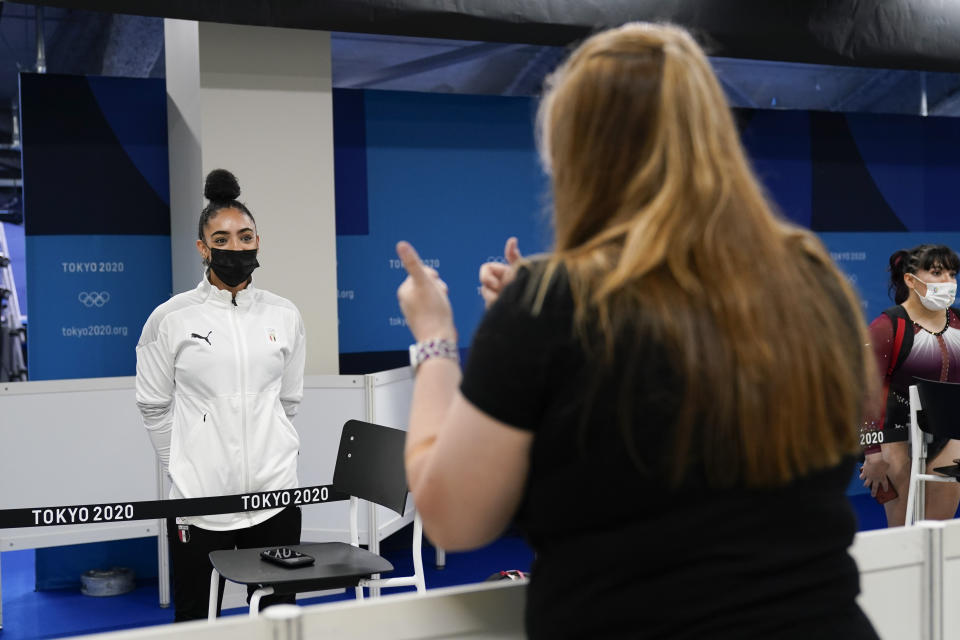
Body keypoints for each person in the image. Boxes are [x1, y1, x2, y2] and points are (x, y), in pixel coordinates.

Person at [394, 23, 879, 639]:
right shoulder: (813, 282)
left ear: (575, 155)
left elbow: (451, 517)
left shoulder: (554, 303)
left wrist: (435, 339)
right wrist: (529, 338)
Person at [135, 169, 306, 621]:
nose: (236, 247)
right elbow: (154, 406)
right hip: (199, 503)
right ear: (202, 248)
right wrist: (187, 466)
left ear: (258, 240)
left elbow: (287, 402)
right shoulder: (168, 319)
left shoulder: (284, 314)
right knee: (196, 617)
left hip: (276, 497)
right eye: (222, 239)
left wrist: (272, 452)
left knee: (278, 616)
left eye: (245, 236)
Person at [860, 244, 960, 527]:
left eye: (952, 274)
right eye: (938, 273)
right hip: (896, 437)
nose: (949, 283)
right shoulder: (887, 326)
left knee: (938, 533)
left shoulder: (959, 322)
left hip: (949, 435)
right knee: (904, 535)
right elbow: (864, 395)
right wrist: (872, 453)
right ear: (910, 279)